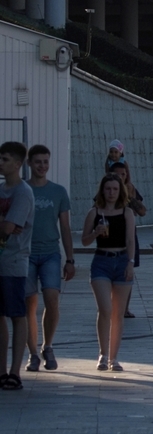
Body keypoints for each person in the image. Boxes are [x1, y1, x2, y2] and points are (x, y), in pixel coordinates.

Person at [24, 144, 74, 373]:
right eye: (38, 162)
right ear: (29, 163)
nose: (42, 166)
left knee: (52, 298)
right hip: (25, 253)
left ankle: (48, 345)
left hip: (51, 253)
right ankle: (32, 353)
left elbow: (65, 227)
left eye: (45, 162)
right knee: (28, 304)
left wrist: (70, 259)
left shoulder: (58, 192)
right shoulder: (23, 190)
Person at [81, 173, 135, 372]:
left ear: (120, 191)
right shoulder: (94, 213)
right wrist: (96, 232)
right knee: (105, 309)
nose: (111, 192)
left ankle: (114, 357)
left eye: (115, 189)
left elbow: (130, 241)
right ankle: (103, 355)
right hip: (101, 261)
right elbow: (84, 240)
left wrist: (130, 263)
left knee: (118, 314)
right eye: (108, 188)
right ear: (102, 190)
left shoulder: (126, 213)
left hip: (121, 260)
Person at [0, 141, 35, 390]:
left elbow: (9, 228)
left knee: (17, 314)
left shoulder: (23, 192)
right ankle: (1, 370)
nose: (1, 163)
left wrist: (6, 224)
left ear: (17, 164)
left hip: (14, 262)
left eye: (5, 159)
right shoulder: (1, 189)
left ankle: (15, 372)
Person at [108, 162, 145, 318]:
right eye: (118, 174)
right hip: (110, 241)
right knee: (109, 273)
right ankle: (110, 305)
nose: (121, 177)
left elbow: (142, 211)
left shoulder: (130, 189)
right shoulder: (107, 190)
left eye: (124, 174)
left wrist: (130, 197)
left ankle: (124, 308)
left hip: (129, 238)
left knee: (128, 273)